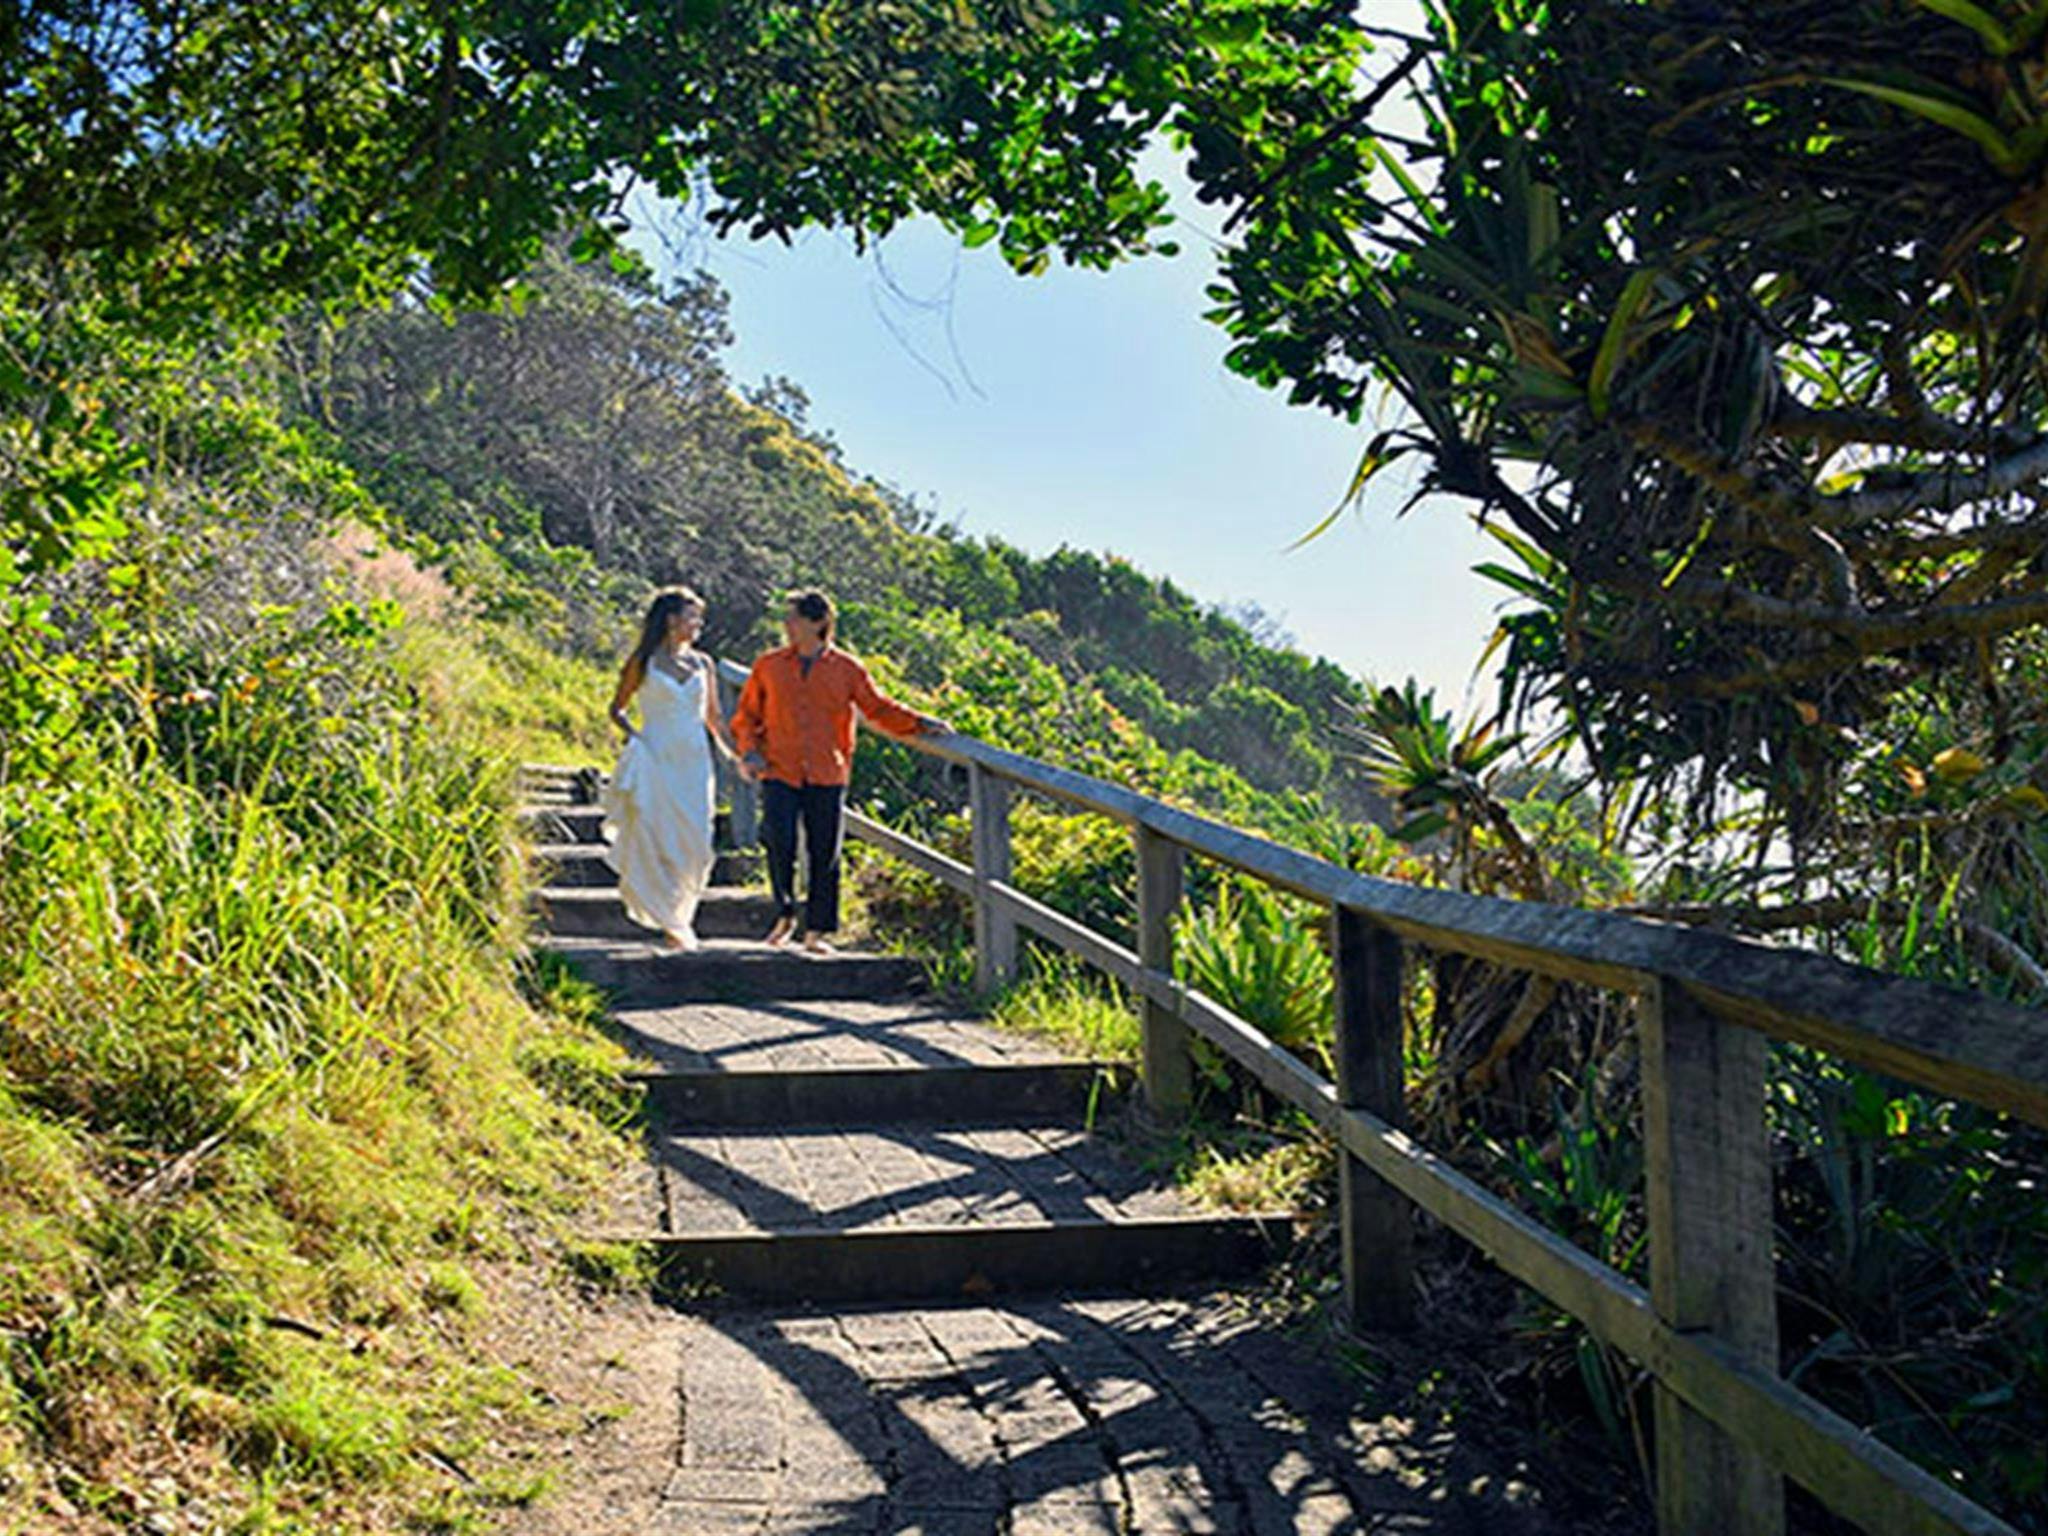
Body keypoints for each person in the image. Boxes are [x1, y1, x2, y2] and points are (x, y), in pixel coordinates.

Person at [732, 589, 947, 954]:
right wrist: (750, 751)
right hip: (779, 768)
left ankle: (817, 931)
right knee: (778, 840)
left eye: (794, 618)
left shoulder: (846, 668)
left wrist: (920, 722)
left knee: (824, 852)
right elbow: (746, 716)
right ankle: (785, 913)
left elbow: (876, 707)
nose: (787, 625)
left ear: (819, 623)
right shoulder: (768, 665)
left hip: (826, 771)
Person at [601, 587, 737, 950]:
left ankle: (680, 915)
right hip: (656, 758)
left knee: (695, 842)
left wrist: (734, 757)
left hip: (694, 763)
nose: (699, 625)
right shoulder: (643, 662)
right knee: (656, 836)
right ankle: (671, 925)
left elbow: (715, 720)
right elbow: (617, 709)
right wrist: (636, 739)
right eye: (693, 617)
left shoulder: (703, 664)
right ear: (671, 619)